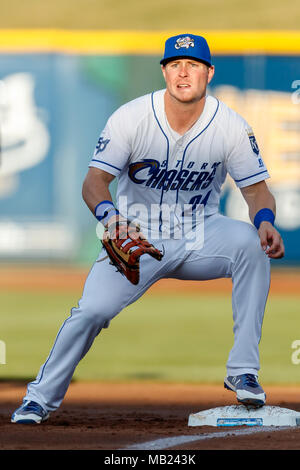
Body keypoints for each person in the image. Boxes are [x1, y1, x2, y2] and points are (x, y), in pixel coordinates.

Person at [11, 34, 284, 424]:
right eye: (175, 64)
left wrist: (265, 222)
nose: (183, 72)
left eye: (192, 64)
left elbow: (257, 192)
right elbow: (94, 182)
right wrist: (111, 218)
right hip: (135, 237)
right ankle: (38, 399)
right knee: (91, 311)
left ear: (209, 72)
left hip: (201, 234)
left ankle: (243, 371)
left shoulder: (230, 126)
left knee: (252, 246)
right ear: (163, 72)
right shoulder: (132, 117)